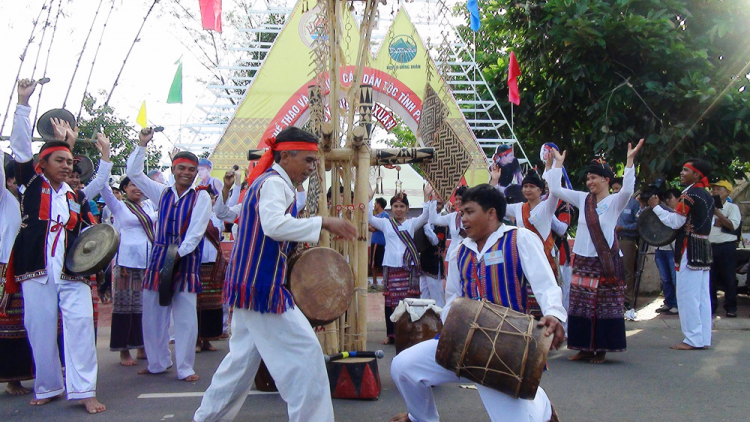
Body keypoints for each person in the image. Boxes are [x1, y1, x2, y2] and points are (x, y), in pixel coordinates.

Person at [193, 126, 356, 422]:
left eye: (314, 161)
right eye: (307, 160)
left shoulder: (267, 183)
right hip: (263, 289)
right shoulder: (274, 184)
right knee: (306, 357)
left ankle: (207, 419)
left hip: (249, 286)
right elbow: (273, 226)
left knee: (239, 366)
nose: (312, 167)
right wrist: (324, 222)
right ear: (286, 156)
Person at [389, 184, 566, 422]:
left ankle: (542, 406)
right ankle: (422, 418)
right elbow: (452, 298)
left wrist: (554, 314)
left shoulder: (519, 238)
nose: (463, 219)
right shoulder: (460, 250)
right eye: (461, 213)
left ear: (491, 213)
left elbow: (546, 284)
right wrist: (455, 329)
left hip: (506, 349)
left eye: (469, 212)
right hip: (461, 344)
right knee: (403, 367)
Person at [10, 78, 108, 413]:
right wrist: (23, 103)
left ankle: (84, 391)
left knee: (80, 324)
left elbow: (91, 234)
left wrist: (82, 148)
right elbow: (22, 149)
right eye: (60, 161)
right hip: (35, 268)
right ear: (43, 165)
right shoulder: (32, 183)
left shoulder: (76, 195)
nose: (68, 166)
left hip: (71, 271)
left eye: (70, 162)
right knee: (39, 328)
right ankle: (49, 385)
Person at [546, 139, 644, 363]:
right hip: (582, 260)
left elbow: (628, 188)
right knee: (580, 305)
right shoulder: (583, 199)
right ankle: (583, 348)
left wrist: (629, 162)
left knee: (603, 307)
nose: (589, 181)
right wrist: (557, 166)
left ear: (606, 179)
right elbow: (555, 189)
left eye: (593, 177)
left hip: (605, 262)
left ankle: (600, 349)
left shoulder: (615, 201)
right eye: (588, 178)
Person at [126, 127, 212, 382]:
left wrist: (177, 255)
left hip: (185, 260)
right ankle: (157, 362)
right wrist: (142, 144)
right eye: (181, 168)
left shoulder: (202, 197)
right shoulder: (161, 192)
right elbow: (133, 173)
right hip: (158, 258)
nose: (186, 172)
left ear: (196, 172)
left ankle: (185, 368)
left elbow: (196, 232)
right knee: (152, 314)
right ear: (173, 170)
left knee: (185, 318)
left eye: (190, 169)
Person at [648, 159, 714, 349]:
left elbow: (676, 222)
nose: (682, 173)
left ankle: (692, 339)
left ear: (697, 174)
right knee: (702, 296)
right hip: (703, 246)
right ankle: (702, 338)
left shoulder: (689, 195)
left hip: (689, 248)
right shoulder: (707, 195)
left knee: (687, 295)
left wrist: (655, 207)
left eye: (686, 170)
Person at [95, 175, 156, 366]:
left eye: (139, 185)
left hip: (147, 262)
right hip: (126, 265)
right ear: (124, 189)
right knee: (124, 308)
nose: (136, 188)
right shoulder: (119, 206)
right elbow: (103, 188)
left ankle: (142, 346)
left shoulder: (148, 206)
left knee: (144, 307)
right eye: (132, 185)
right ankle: (124, 351)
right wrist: (105, 160)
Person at [492, 166, 568, 316]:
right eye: (525, 186)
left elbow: (555, 192)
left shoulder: (547, 207)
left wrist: (555, 166)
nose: (527, 189)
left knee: (547, 295)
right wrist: (495, 181)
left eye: (532, 186)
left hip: (544, 257)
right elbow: (496, 204)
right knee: (524, 297)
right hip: (523, 258)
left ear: (540, 190)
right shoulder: (519, 208)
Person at [368, 187, 431, 345]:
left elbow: (425, 217)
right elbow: (368, 217)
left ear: (407, 209)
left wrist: (426, 196)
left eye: (402, 206)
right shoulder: (385, 224)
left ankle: (409, 333)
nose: (398, 209)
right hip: (391, 267)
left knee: (409, 302)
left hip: (408, 269)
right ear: (391, 208)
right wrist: (369, 198)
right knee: (391, 303)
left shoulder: (411, 224)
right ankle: (392, 335)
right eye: (395, 206)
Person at [0, 154, 31, 396]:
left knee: (29, 324)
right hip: (6, 268)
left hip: (28, 267)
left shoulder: (30, 199)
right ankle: (12, 380)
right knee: (10, 326)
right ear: (9, 180)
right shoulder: (5, 201)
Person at [708, 180, 741, 317]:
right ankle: (711, 306)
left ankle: (731, 307)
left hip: (726, 246)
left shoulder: (732, 208)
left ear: (726, 192)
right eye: (713, 189)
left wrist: (719, 215)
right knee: (710, 278)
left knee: (729, 277)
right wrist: (721, 221)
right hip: (710, 246)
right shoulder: (708, 208)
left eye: (718, 189)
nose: (714, 192)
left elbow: (732, 226)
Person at [616, 191, 647, 310]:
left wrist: (623, 228)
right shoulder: (612, 203)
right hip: (612, 240)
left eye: (618, 189)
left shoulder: (633, 204)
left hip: (626, 240)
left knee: (627, 270)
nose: (615, 192)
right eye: (613, 189)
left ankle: (627, 299)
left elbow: (639, 223)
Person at [654, 188, 681, 315]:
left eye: (670, 198)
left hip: (673, 249)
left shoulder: (680, 213)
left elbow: (673, 223)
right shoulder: (659, 211)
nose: (668, 201)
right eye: (666, 199)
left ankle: (677, 304)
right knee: (665, 279)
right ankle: (669, 302)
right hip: (660, 249)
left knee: (675, 279)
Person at [416, 199, 447, 307]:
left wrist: (425, 224)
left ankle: (440, 321)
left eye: (439, 204)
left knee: (436, 298)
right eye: (434, 204)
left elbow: (435, 241)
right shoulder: (425, 220)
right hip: (424, 262)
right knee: (423, 296)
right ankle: (426, 322)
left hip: (434, 264)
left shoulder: (442, 222)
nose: (435, 206)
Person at [429, 185, 468, 264]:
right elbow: (434, 220)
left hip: (467, 256)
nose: (457, 202)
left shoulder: (475, 217)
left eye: (460, 199)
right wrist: (433, 201)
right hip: (452, 256)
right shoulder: (453, 216)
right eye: (456, 199)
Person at [369, 197, 389, 286]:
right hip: (374, 241)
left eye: (375, 204)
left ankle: (385, 281)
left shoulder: (385, 215)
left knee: (382, 262)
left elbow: (375, 228)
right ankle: (374, 282)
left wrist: (371, 227)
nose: (374, 206)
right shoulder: (375, 216)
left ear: (379, 205)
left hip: (380, 242)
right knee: (373, 262)